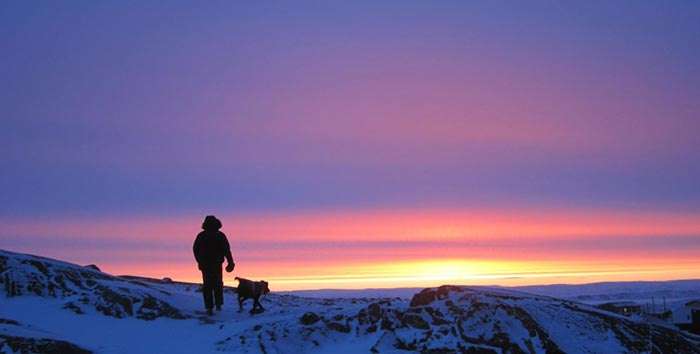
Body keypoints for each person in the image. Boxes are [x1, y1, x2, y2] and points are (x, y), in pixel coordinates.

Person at [193, 215, 235, 315]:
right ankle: (217, 306)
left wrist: (199, 261)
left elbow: (195, 250)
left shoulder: (202, 235)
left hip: (208, 265)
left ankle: (210, 307)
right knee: (217, 284)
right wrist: (230, 262)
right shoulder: (219, 235)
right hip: (214, 264)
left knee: (208, 285)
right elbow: (227, 250)